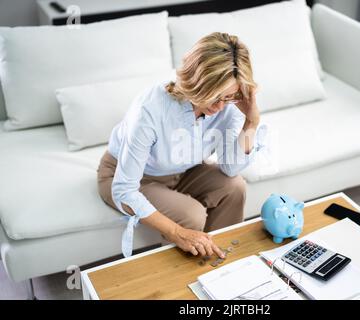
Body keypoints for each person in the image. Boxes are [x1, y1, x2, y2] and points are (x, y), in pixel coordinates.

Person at [97, 32, 267, 258]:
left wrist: (251, 122)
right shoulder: (151, 109)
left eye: (227, 97)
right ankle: (184, 281)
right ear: (195, 81)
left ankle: (220, 263)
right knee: (191, 215)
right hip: (128, 176)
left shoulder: (229, 104)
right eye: (213, 96)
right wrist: (178, 232)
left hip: (180, 171)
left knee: (234, 187)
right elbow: (124, 189)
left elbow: (230, 168)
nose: (219, 106)